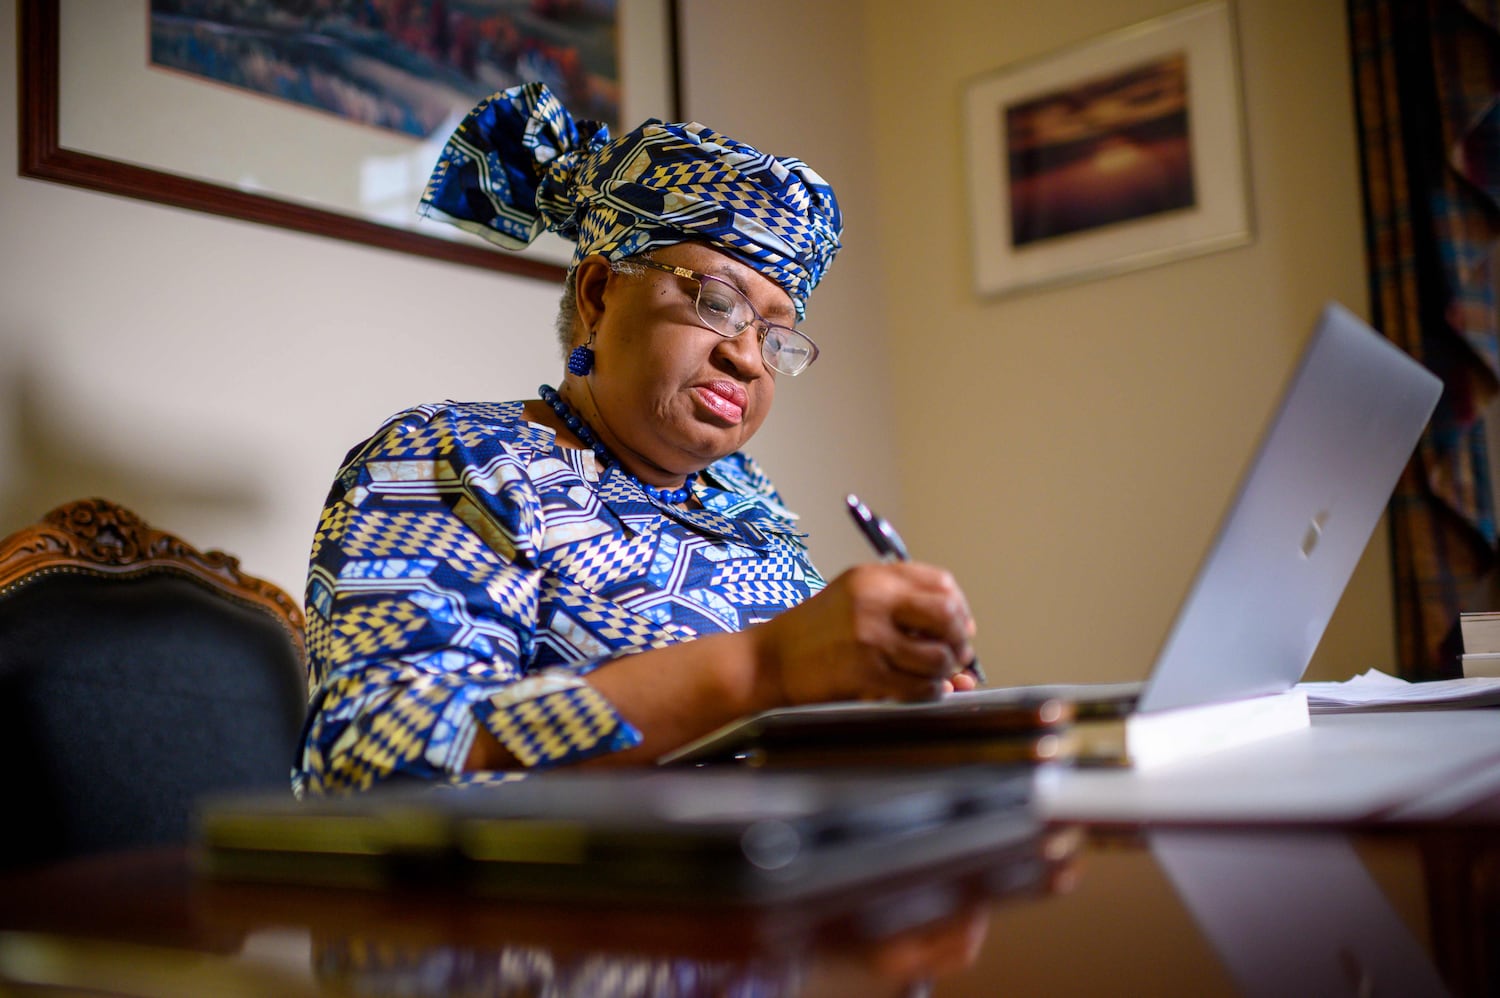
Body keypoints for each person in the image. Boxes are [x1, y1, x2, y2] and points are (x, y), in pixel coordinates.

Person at [294, 83, 978, 796]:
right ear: (597, 294)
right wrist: (762, 668)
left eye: (775, 336)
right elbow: (368, 759)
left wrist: (888, 704)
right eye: (717, 303)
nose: (748, 356)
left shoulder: (744, 498)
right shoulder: (454, 460)